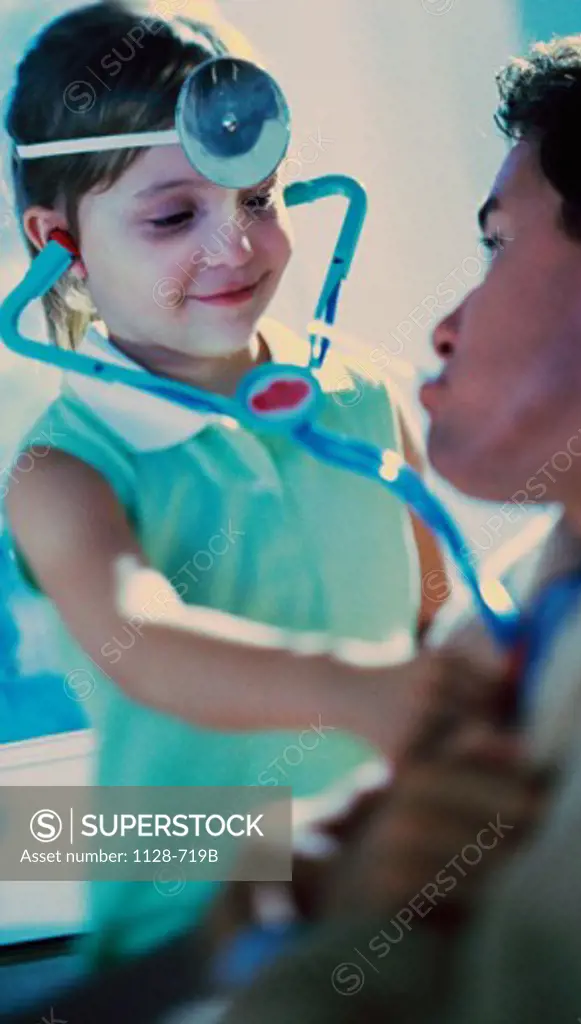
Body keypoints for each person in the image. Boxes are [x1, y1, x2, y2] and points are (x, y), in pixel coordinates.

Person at [216, 10, 581, 1022]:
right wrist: (306, 881)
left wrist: (347, 920)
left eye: (496, 242)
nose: (443, 325)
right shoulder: (538, 589)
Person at [0, 1, 444, 971]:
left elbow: (434, 625)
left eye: (259, 197)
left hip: (383, 875)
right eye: (173, 217)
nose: (236, 247)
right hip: (186, 924)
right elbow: (143, 644)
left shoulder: (363, 394)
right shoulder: (64, 470)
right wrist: (357, 693)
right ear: (56, 247)